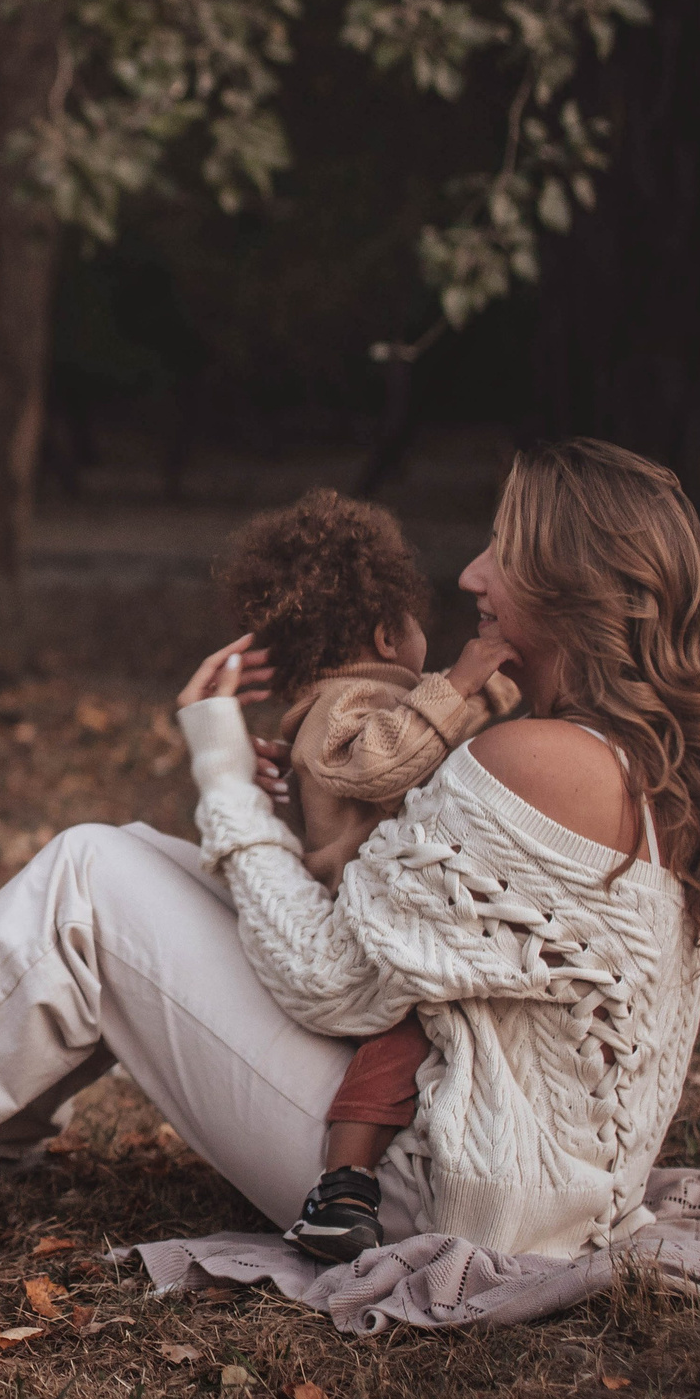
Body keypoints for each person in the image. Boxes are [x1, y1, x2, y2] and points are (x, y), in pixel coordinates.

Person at [0, 440, 700, 1267]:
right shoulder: (628, 761)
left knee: (89, 879)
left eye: (505, 553)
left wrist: (222, 775)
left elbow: (332, 979)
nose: (473, 574)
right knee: (134, 856)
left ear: (574, 585)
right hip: (525, 1183)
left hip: (437, 1191)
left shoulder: (538, 760)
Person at [214, 489, 519, 1262]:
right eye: (417, 625)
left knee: (413, 1038)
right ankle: (343, 1185)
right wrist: (460, 682)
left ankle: (359, 1173)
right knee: (399, 1040)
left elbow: (437, 731)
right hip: (370, 924)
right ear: (387, 632)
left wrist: (496, 683)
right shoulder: (350, 702)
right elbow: (380, 761)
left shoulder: (377, 701)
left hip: (396, 908)